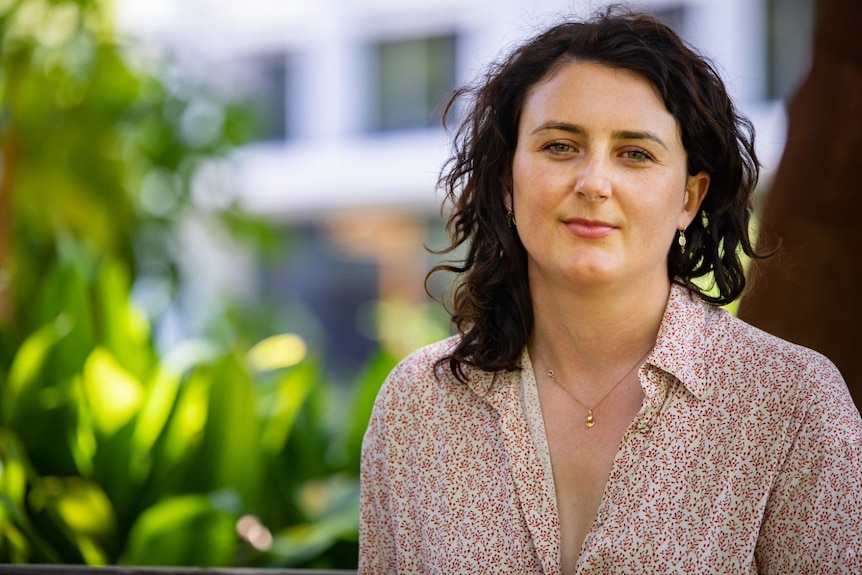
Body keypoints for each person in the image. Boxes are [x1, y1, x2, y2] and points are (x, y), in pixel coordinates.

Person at [359, 6, 862, 574]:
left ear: (688, 199)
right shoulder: (417, 407)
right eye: (559, 146)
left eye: (635, 154)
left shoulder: (794, 405)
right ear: (506, 181)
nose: (594, 183)